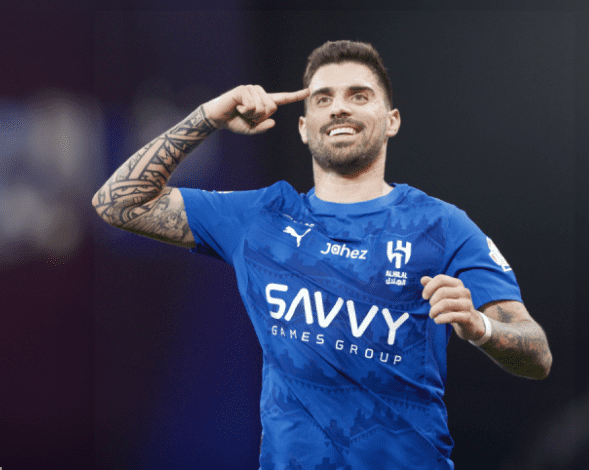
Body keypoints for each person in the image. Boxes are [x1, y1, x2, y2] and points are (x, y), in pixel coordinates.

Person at [93, 40, 552, 470]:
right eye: (322, 98)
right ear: (303, 126)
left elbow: (537, 354)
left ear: (391, 120)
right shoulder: (261, 217)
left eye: (359, 95)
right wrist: (211, 115)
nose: (339, 107)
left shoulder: (441, 225)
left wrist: (480, 326)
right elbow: (118, 203)